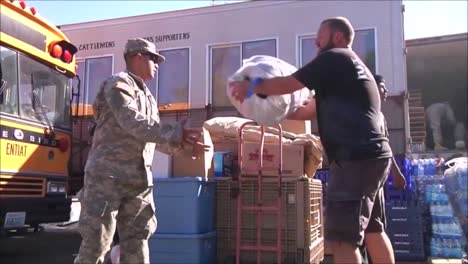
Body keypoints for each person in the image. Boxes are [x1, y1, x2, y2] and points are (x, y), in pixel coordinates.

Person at [230, 17, 395, 264]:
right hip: (373, 158)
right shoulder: (350, 68)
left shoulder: (334, 57)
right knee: (373, 230)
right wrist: (266, 109)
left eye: (320, 34)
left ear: (337, 37)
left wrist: (251, 88)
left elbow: (288, 83)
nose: (316, 41)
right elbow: (305, 110)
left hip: (354, 160)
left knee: (342, 240)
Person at [74, 38, 209, 264]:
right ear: (137, 57)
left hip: (138, 182)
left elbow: (152, 136)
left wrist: (183, 147)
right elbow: (132, 121)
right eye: (153, 59)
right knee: (97, 243)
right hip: (108, 178)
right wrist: (176, 133)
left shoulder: (147, 96)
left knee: (138, 241)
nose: (157, 64)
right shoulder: (118, 84)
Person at [373, 74, 407, 190]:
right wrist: (396, 173)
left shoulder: (380, 116)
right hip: (367, 180)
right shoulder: (366, 115)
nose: (386, 90)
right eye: (382, 87)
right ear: (372, 88)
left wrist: (396, 172)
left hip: (378, 180)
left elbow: (385, 145)